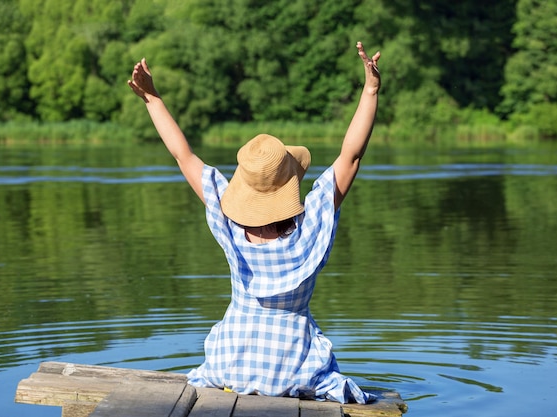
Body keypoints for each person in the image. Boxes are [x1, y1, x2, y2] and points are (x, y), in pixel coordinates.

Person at [128, 41, 381, 404]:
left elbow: (183, 155)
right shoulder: (309, 233)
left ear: (244, 188)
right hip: (294, 368)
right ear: (290, 186)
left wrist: (152, 98)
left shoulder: (229, 227)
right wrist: (370, 89)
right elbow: (351, 156)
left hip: (232, 365)